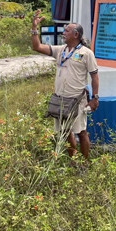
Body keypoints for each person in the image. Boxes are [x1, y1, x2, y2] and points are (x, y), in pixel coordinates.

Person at [31, 9, 99, 161]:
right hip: (60, 99)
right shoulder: (60, 50)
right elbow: (37, 47)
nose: (63, 32)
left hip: (77, 100)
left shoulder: (86, 53)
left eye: (67, 30)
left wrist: (95, 98)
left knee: (81, 131)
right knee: (65, 131)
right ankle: (73, 161)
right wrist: (34, 28)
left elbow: (94, 76)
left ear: (76, 34)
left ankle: (84, 163)